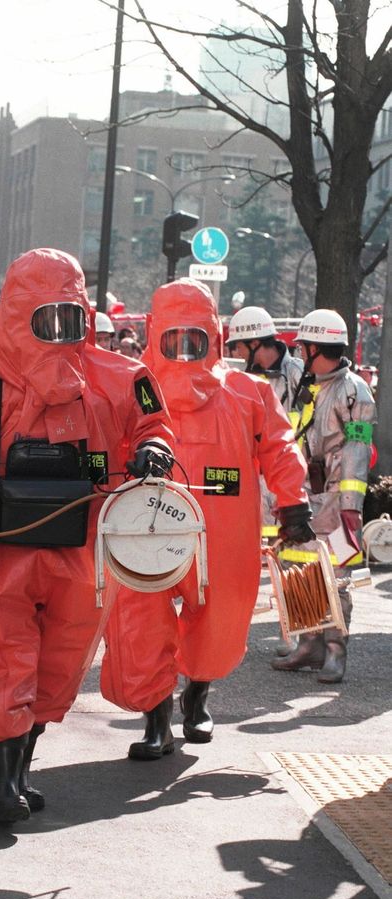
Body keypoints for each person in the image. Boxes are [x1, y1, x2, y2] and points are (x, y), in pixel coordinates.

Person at [0, 248, 174, 826]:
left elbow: (154, 422)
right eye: (42, 317)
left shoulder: (121, 379)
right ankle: (2, 784)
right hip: (0, 548)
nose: (56, 331)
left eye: (66, 316)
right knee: (4, 664)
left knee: (58, 667)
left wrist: (155, 449)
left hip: (80, 550)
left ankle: (21, 769)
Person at [100, 278, 313, 756]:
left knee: (219, 620)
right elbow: (102, 446)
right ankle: (156, 720)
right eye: (171, 339)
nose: (181, 351)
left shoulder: (246, 393)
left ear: (212, 336)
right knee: (141, 622)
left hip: (224, 534)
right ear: (155, 334)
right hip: (145, 529)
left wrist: (292, 502)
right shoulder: (132, 391)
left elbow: (280, 448)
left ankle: (197, 693)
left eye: (191, 338)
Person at [271, 309, 376, 683]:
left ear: (317, 347)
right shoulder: (307, 386)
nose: (299, 353)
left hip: (337, 497)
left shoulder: (355, 391)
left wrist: (350, 507)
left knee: (339, 576)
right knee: (299, 566)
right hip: (307, 494)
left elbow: (358, 450)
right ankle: (309, 644)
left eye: (304, 347)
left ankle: (335, 652)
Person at [227, 306, 304, 540]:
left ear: (254, 343)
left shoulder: (297, 374)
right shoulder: (241, 380)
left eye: (238, 346)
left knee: (286, 553)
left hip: (286, 475)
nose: (237, 353)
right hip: (254, 478)